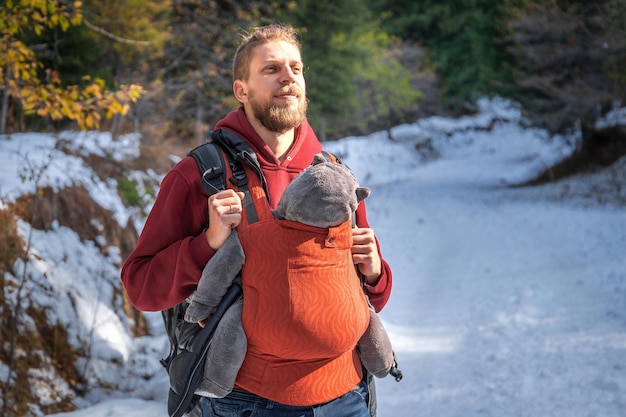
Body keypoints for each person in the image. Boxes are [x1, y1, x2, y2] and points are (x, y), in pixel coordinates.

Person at [121, 23, 393, 417]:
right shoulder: (200, 175)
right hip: (245, 403)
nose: (287, 77)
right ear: (241, 90)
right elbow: (141, 287)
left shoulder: (333, 176)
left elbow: (374, 296)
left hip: (346, 397)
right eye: (271, 69)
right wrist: (208, 243)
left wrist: (373, 272)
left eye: (295, 68)